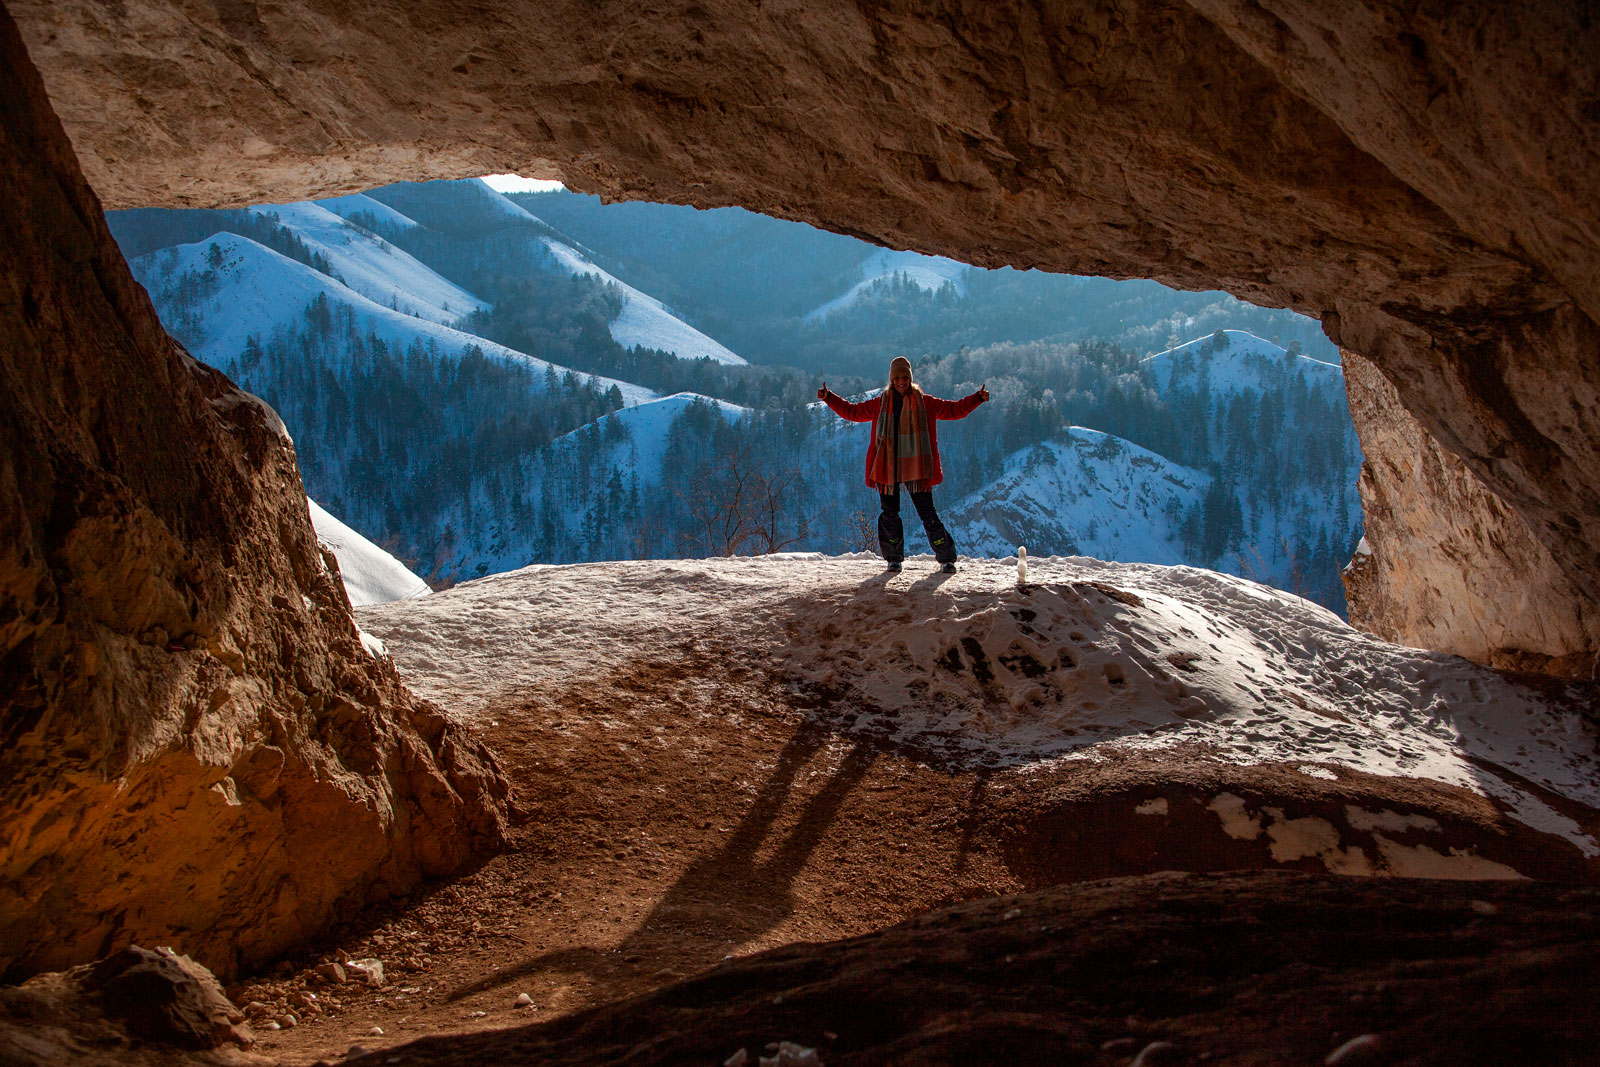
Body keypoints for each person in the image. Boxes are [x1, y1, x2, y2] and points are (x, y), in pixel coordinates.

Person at [818, 356, 989, 573]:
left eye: (905, 377)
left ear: (910, 378)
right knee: (890, 515)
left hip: (917, 466)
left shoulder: (925, 403)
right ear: (891, 379)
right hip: (887, 467)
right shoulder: (879, 404)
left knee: (928, 514)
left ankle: (946, 558)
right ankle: (894, 559)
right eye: (897, 378)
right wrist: (829, 397)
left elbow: (955, 410)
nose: (901, 382)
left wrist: (977, 398)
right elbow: (852, 412)